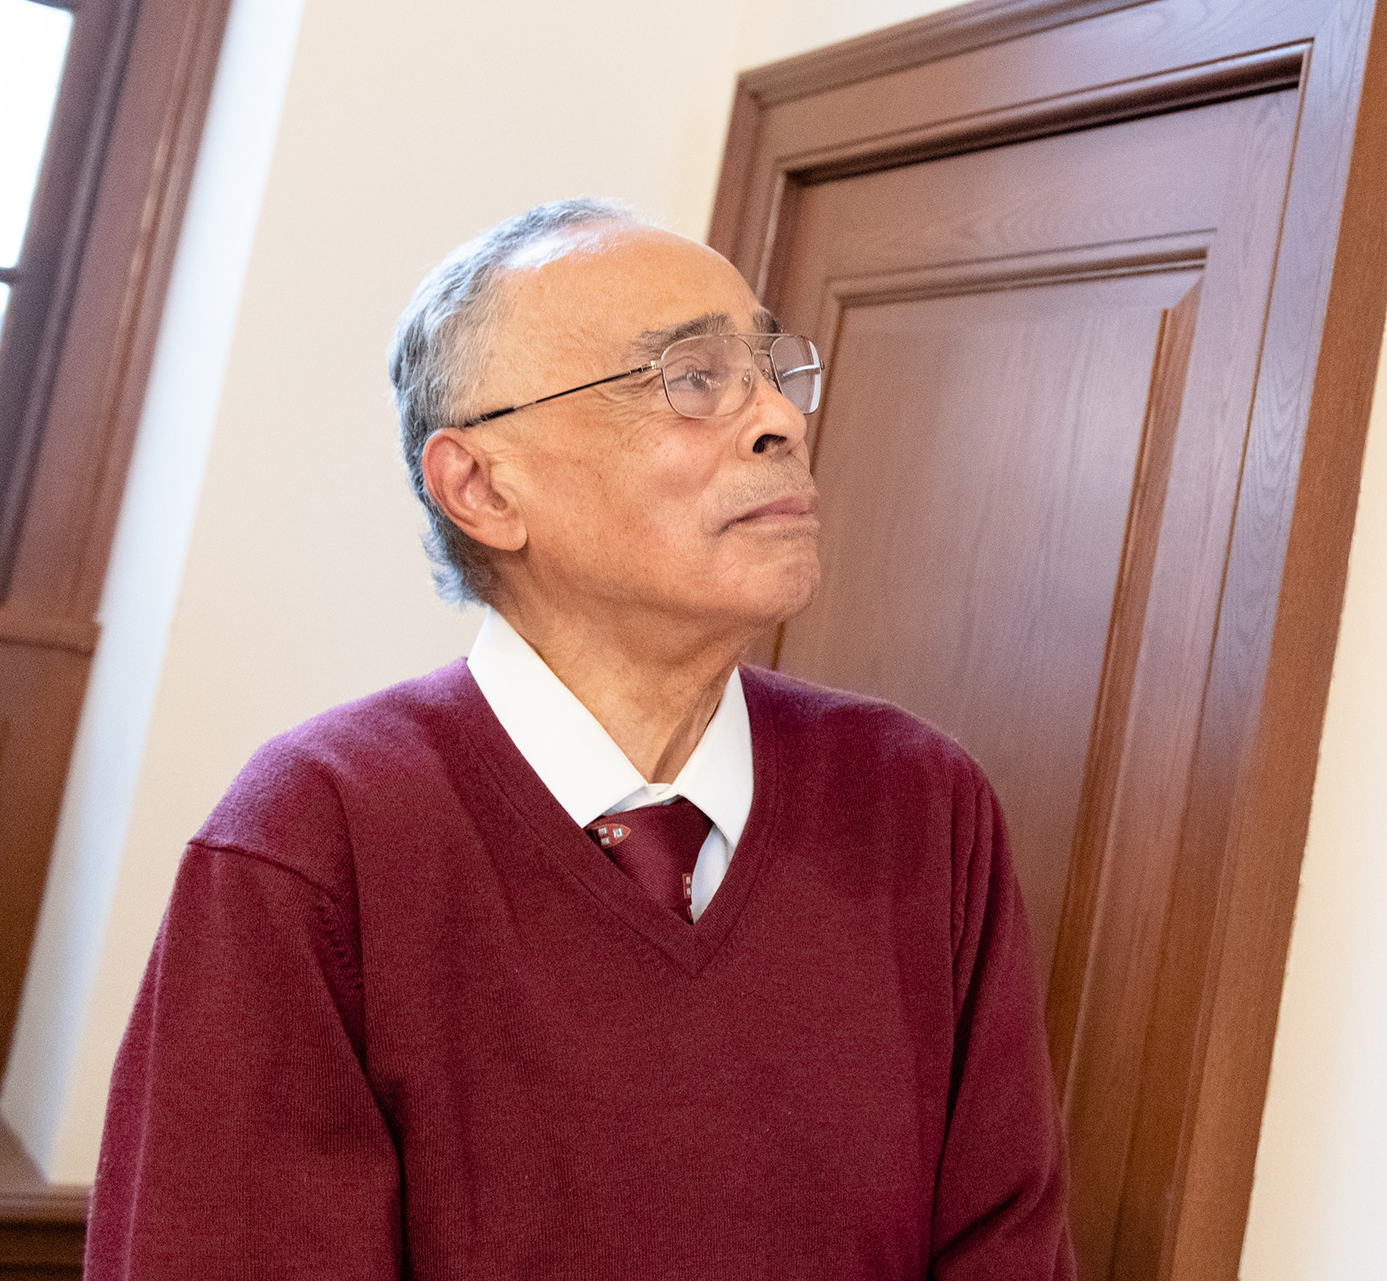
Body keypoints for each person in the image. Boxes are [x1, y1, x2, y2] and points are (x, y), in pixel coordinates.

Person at [84, 200, 1074, 1278]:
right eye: (690, 377)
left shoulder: (920, 799)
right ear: (482, 485)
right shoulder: (314, 834)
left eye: (772, 369)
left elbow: (1006, 1248)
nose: (780, 421)